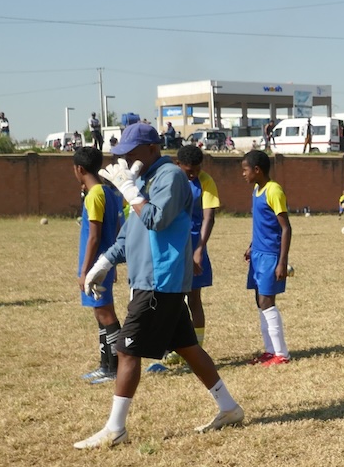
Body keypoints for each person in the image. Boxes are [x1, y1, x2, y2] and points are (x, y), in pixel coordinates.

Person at [73, 121, 244, 448]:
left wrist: (131, 191)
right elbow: (129, 235)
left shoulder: (171, 178)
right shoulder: (142, 180)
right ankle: (229, 408)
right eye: (120, 154)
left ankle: (115, 429)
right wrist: (103, 263)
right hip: (150, 280)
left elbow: (156, 219)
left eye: (130, 152)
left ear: (152, 149)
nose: (124, 160)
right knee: (189, 348)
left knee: (125, 350)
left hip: (159, 281)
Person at [72, 147, 124, 381]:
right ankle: (106, 365)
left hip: (95, 265)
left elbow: (94, 236)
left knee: (106, 314)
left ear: (79, 169)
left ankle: (115, 367)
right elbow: (117, 230)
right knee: (101, 312)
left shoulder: (95, 195)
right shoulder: (111, 193)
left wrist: (85, 272)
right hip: (105, 262)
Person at [242, 150, 293, 365]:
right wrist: (252, 246)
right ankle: (270, 351)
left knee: (267, 301)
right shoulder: (256, 189)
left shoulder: (274, 190)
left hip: (271, 256)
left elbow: (285, 228)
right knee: (259, 301)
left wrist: (282, 262)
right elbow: (263, 224)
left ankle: (282, 354)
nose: (242, 174)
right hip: (258, 255)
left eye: (245, 170)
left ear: (257, 170)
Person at [170, 144, 219, 365]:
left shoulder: (206, 181)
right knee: (172, 300)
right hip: (173, 245)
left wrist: (199, 249)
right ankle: (174, 347)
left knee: (194, 298)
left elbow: (209, 218)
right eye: (189, 170)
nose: (193, 174)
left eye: (197, 170)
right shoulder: (170, 179)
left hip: (195, 243)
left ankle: (196, 347)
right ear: (177, 164)